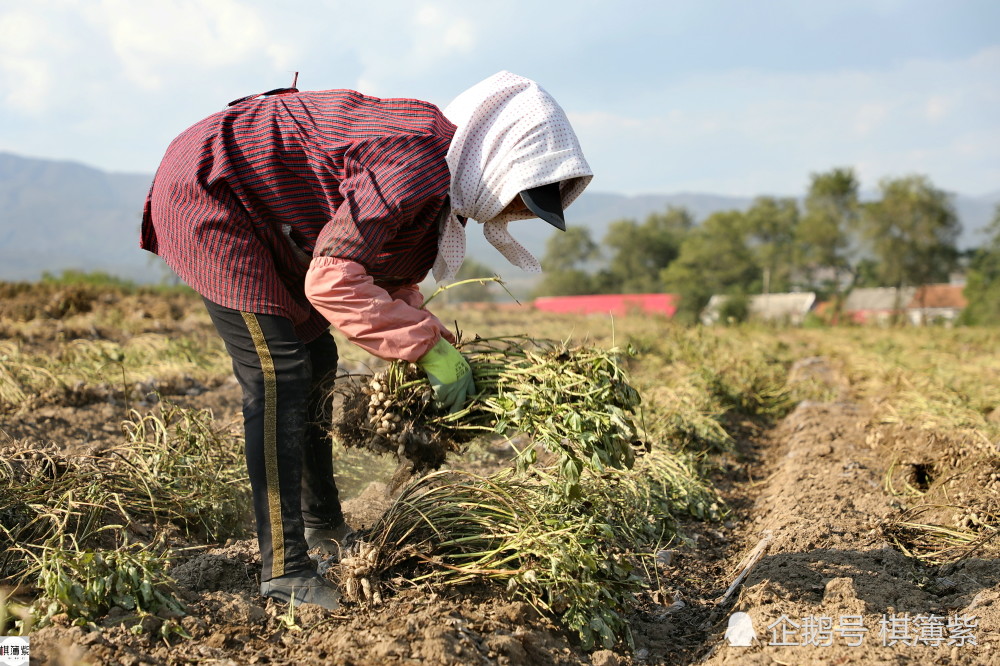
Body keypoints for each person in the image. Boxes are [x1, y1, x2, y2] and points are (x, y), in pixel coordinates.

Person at [140, 70, 592, 610]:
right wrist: (425, 347)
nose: (520, 214)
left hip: (272, 218)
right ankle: (284, 570)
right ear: (500, 159)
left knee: (317, 357)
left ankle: (323, 527)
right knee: (279, 371)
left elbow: (381, 274)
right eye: (523, 198)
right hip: (213, 191)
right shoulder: (415, 162)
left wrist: (431, 341)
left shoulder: (436, 185)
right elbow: (332, 280)